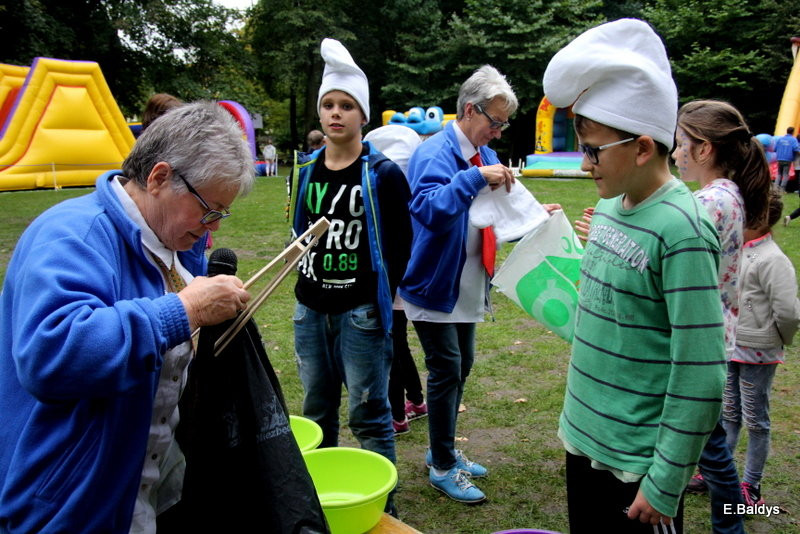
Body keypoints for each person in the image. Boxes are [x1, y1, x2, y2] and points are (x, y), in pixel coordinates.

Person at [0, 101, 255, 533]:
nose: (214, 227)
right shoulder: (72, 234)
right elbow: (53, 354)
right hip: (66, 508)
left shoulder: (165, 241)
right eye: (208, 210)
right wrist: (187, 308)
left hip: (132, 493)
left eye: (221, 214)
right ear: (159, 177)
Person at [543, 19, 727, 532]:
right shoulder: (607, 208)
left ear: (643, 148)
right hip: (583, 439)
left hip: (638, 469)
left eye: (593, 151)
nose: (584, 166)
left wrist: (666, 477)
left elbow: (700, 371)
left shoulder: (683, 231)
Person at [289, 39, 412, 514]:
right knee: (317, 411)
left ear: (363, 115)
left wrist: (378, 296)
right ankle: (320, 504)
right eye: (328, 105)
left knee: (370, 414)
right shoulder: (306, 171)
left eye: (346, 106)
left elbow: (401, 243)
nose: (335, 114)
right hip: (310, 310)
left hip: (360, 313)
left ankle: (383, 510)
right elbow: (299, 232)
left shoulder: (381, 174)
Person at [398, 64, 518, 504]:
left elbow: (495, 210)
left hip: (466, 283)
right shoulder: (435, 153)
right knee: (447, 367)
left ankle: (441, 449)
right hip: (433, 284)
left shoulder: (482, 154)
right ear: (472, 110)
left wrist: (534, 214)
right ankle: (443, 466)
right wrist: (472, 178)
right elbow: (428, 209)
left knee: (460, 365)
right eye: (496, 121)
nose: (500, 132)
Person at [674, 99, 772, 534]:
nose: (674, 153)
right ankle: (731, 525)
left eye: (680, 144)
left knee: (709, 453)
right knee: (711, 451)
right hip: (714, 339)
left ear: (704, 150)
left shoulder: (709, 202)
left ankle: (731, 527)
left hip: (700, 344)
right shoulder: (726, 195)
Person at [723, 189, 800, 508]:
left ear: (758, 219)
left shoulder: (773, 260)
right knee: (728, 414)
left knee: (756, 420)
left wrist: (775, 339)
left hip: (759, 354)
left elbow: (789, 312)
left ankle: (750, 486)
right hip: (730, 349)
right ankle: (719, 474)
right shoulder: (736, 250)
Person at [364, 124, 428, 435]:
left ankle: (397, 414)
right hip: (404, 274)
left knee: (391, 344)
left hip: (395, 277)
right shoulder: (411, 184)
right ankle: (415, 400)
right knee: (398, 341)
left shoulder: (386, 188)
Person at [774, 126, 799, 191]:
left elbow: (775, 148)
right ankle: (782, 189)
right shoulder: (793, 139)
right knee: (785, 174)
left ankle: (775, 188)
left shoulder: (780, 139)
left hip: (779, 158)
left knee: (779, 173)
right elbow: (796, 149)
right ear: (793, 132)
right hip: (787, 159)